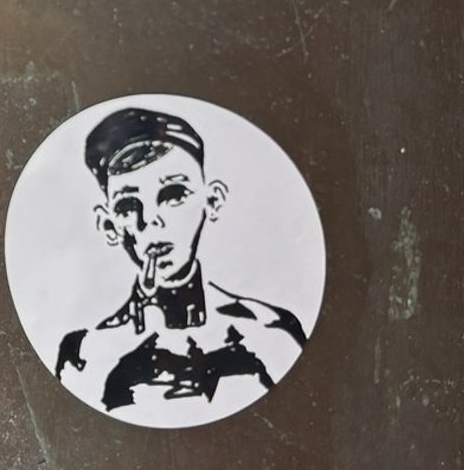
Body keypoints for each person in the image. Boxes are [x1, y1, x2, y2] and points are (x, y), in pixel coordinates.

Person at [54, 106, 307, 417]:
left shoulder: (271, 331)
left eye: (173, 194)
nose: (151, 221)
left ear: (211, 201)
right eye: (128, 205)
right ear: (109, 225)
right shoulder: (85, 355)